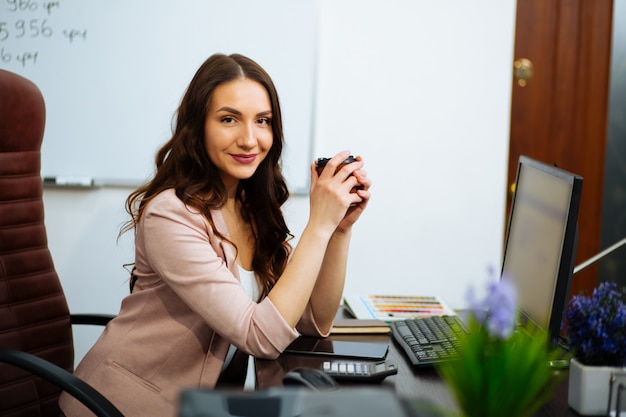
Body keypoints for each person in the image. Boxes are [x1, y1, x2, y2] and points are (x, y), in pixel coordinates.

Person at [59, 53, 371, 417]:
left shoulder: (250, 208)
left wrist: (337, 230)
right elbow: (262, 336)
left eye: (263, 121)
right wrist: (318, 223)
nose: (250, 139)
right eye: (228, 119)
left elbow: (314, 322)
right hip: (118, 407)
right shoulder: (171, 214)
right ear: (198, 126)